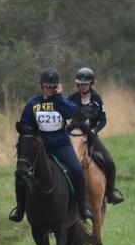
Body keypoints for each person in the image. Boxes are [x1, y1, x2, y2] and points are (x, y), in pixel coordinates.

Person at [9, 68, 94, 223]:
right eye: (47, 86)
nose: (50, 89)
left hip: (61, 145)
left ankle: (82, 207)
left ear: (57, 86)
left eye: (53, 86)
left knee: (76, 169)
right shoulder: (33, 104)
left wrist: (59, 97)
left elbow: (72, 113)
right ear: (42, 85)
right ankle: (20, 209)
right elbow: (25, 124)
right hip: (39, 147)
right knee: (20, 173)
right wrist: (28, 131)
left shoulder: (62, 101)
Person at [68, 67, 124, 205]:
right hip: (73, 137)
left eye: (86, 84)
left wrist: (94, 130)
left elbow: (103, 120)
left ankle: (110, 193)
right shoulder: (71, 99)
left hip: (91, 137)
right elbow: (63, 114)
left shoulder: (97, 99)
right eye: (80, 84)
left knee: (109, 162)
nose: (83, 86)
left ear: (91, 84)